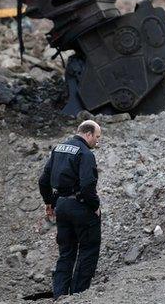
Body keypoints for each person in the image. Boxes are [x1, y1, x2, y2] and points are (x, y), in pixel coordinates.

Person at [39, 120, 102, 299]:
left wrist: (49, 202)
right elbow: (88, 184)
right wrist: (95, 205)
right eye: (97, 137)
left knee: (66, 252)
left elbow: (43, 180)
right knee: (88, 249)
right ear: (88, 134)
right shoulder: (85, 153)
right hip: (80, 206)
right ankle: (77, 296)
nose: (97, 142)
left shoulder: (58, 149)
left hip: (62, 206)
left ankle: (60, 295)